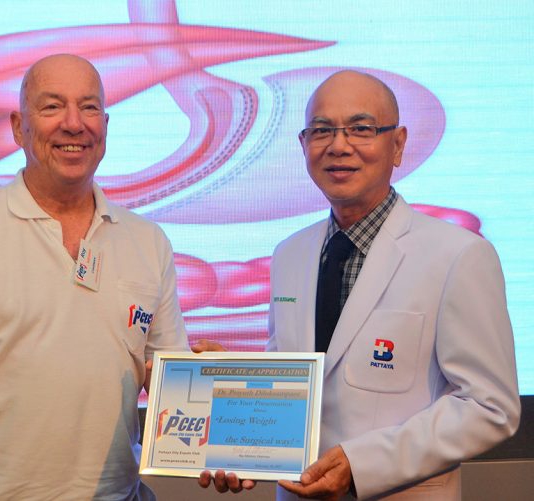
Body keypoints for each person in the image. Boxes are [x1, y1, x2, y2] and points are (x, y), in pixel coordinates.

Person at [198, 70, 520, 500]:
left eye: (361, 129)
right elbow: (294, 380)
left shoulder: (459, 255)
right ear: (303, 145)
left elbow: (489, 407)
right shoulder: (289, 253)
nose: (338, 145)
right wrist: (230, 388)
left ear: (398, 144)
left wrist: (361, 464)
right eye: (321, 131)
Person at [0, 54, 189, 500]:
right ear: (19, 127)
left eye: (89, 107)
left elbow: (170, 380)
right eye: (52, 107)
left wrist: (222, 416)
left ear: (106, 124)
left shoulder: (148, 241)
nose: (74, 124)